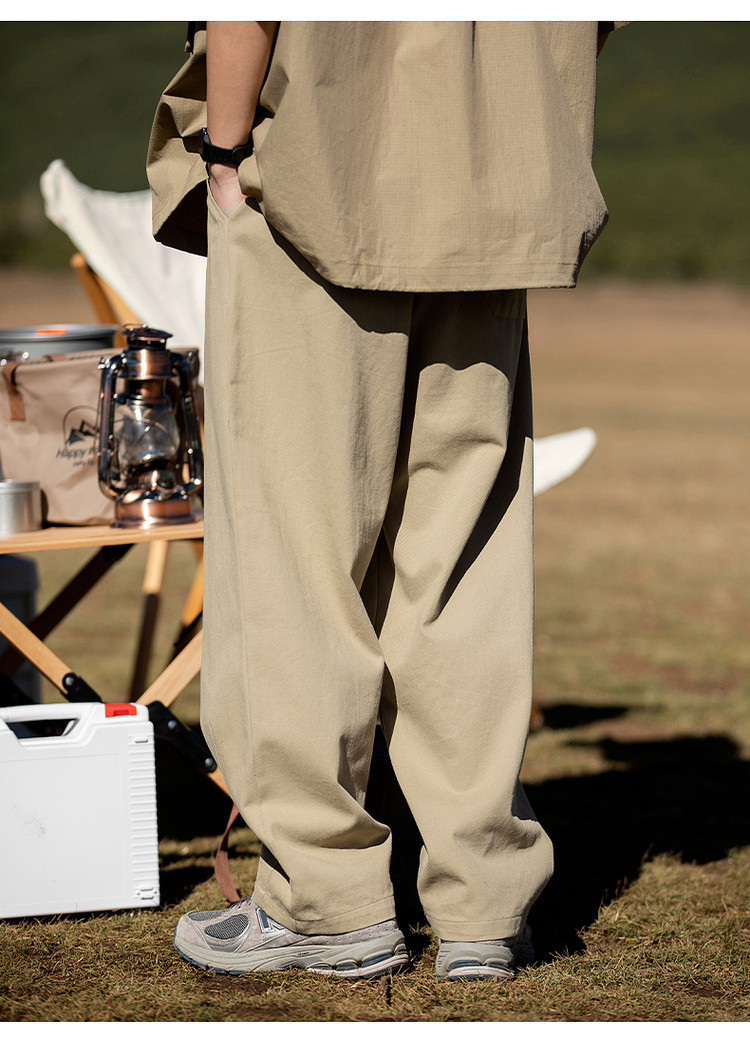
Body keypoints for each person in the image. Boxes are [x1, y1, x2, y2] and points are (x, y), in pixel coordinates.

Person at [147, 20, 622, 981]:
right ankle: (484, 907)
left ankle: (326, 904)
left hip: (316, 182)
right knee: (464, 562)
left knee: (294, 554)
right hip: (495, 187)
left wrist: (225, 156)